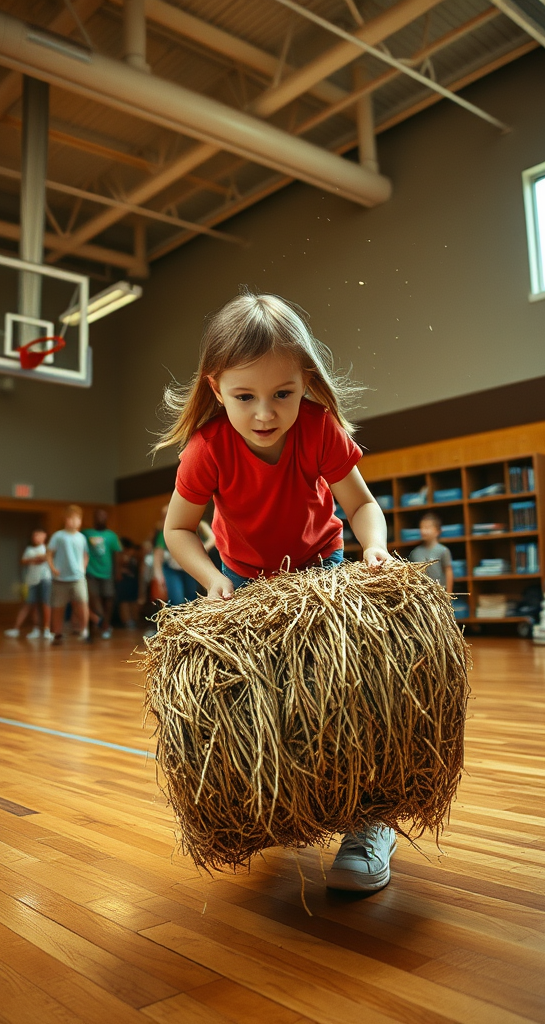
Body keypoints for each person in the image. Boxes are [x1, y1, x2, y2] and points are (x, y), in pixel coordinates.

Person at [156, 291, 397, 894]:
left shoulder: (318, 429)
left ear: (304, 383)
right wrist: (214, 583)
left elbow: (362, 504)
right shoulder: (206, 450)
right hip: (242, 582)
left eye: (282, 395)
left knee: (347, 694)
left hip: (322, 568)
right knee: (257, 707)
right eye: (245, 397)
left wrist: (375, 550)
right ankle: (278, 806)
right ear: (216, 388)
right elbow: (178, 530)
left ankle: (371, 820)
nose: (265, 413)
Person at [47, 506, 89, 645]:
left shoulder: (81, 537)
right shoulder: (58, 536)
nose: (75, 521)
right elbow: (49, 554)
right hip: (60, 579)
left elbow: (85, 555)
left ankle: (84, 631)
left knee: (82, 604)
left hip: (78, 578)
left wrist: (82, 568)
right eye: (72, 518)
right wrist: (53, 568)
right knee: (58, 607)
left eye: (78, 518)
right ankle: (57, 634)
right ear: (66, 519)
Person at [5, 528, 53, 639]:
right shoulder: (29, 549)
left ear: (45, 536)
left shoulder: (47, 548)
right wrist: (35, 559)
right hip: (31, 581)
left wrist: (40, 558)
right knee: (31, 605)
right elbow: (23, 561)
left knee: (46, 604)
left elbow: (48, 558)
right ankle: (34, 629)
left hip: (45, 579)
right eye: (34, 535)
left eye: (39, 535)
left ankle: (46, 629)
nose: (36, 537)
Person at [84, 508, 121, 640]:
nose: (101, 518)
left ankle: (105, 624)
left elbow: (116, 554)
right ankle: (100, 623)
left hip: (107, 573)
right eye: (99, 516)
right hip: (91, 572)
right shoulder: (86, 533)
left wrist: (117, 572)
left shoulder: (111, 535)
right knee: (94, 598)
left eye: (104, 516)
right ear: (94, 518)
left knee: (108, 599)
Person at [408, 511, 454, 593]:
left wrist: (449, 594)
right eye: (422, 527)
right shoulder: (415, 553)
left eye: (427, 528)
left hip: (440, 592)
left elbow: (448, 572)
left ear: (437, 531)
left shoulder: (443, 550)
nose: (423, 531)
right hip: (422, 593)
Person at [115, 538, 140, 628]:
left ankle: (134, 619)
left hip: (132, 580)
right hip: (123, 580)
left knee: (133, 600)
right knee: (124, 601)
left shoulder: (134, 555)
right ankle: (127, 620)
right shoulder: (119, 555)